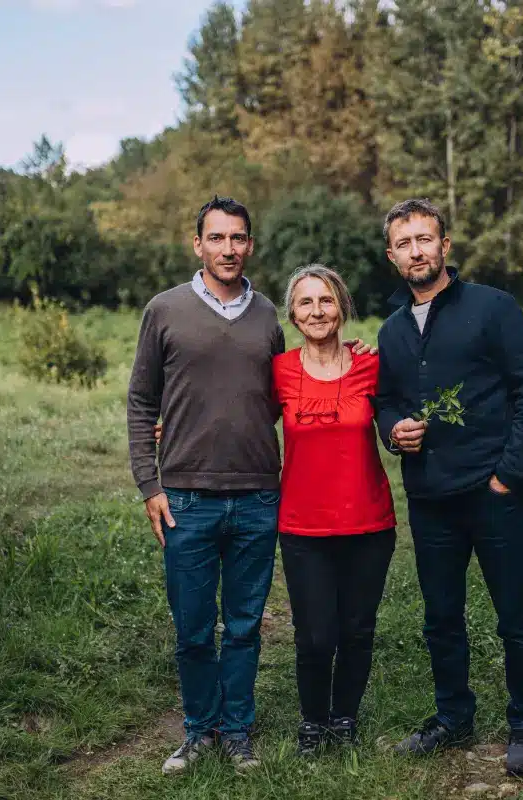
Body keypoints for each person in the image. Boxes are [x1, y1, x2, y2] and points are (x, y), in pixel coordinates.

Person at [128, 196, 371, 777]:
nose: (228, 248)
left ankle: (237, 731)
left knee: (244, 626)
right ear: (198, 245)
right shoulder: (165, 309)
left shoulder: (267, 316)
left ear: (250, 245)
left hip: (259, 494)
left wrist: (352, 357)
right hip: (185, 495)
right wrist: (149, 483)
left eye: (237, 238)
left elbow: (291, 386)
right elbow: (141, 400)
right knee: (193, 629)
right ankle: (198, 729)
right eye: (216, 238)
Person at [373, 198, 523, 776]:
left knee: (515, 614)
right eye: (404, 244)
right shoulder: (392, 331)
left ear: (445, 246)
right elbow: (386, 401)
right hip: (430, 498)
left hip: (493, 492)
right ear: (392, 256)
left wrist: (508, 474)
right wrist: (392, 430)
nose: (416, 251)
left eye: (425, 239)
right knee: (441, 618)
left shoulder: (493, 308)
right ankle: (453, 717)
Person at [271, 265, 397, 757]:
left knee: (357, 629)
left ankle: (344, 717)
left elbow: (400, 417)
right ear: (292, 314)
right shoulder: (279, 371)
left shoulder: (372, 365)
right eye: (306, 302)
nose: (317, 311)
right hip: (303, 526)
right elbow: (239, 419)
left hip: (368, 522)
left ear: (342, 307)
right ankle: (312, 721)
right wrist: (175, 428)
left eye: (326, 300)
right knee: (315, 634)